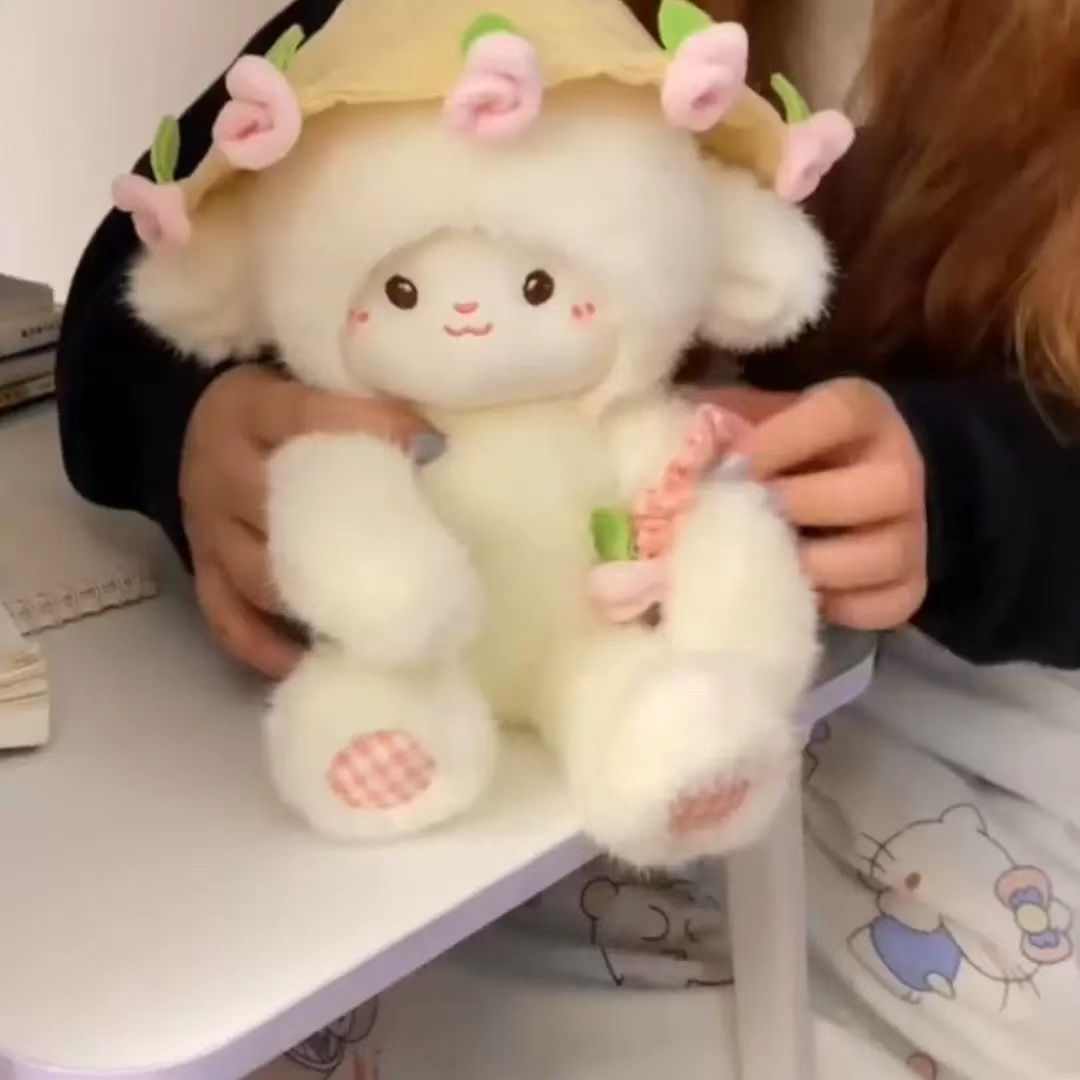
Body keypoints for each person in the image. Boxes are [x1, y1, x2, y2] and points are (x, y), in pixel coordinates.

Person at [57, 1, 1080, 1077]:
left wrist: (966, 491)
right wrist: (192, 428)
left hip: (966, 745)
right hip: (511, 754)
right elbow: (143, 260)